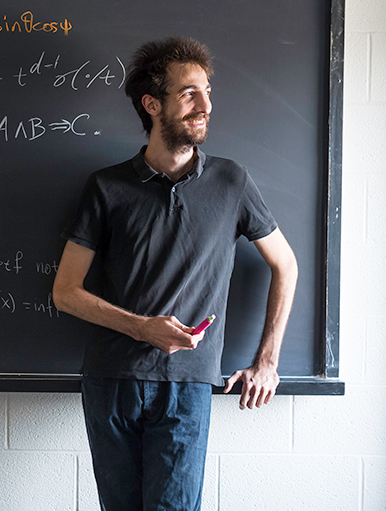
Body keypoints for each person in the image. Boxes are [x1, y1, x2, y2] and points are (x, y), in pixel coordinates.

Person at [51, 36, 298, 511]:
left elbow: (285, 264)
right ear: (152, 104)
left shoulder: (232, 181)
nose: (204, 104)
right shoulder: (106, 188)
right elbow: (65, 292)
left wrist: (267, 360)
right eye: (188, 93)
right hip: (112, 381)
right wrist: (142, 327)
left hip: (188, 384)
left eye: (207, 91)